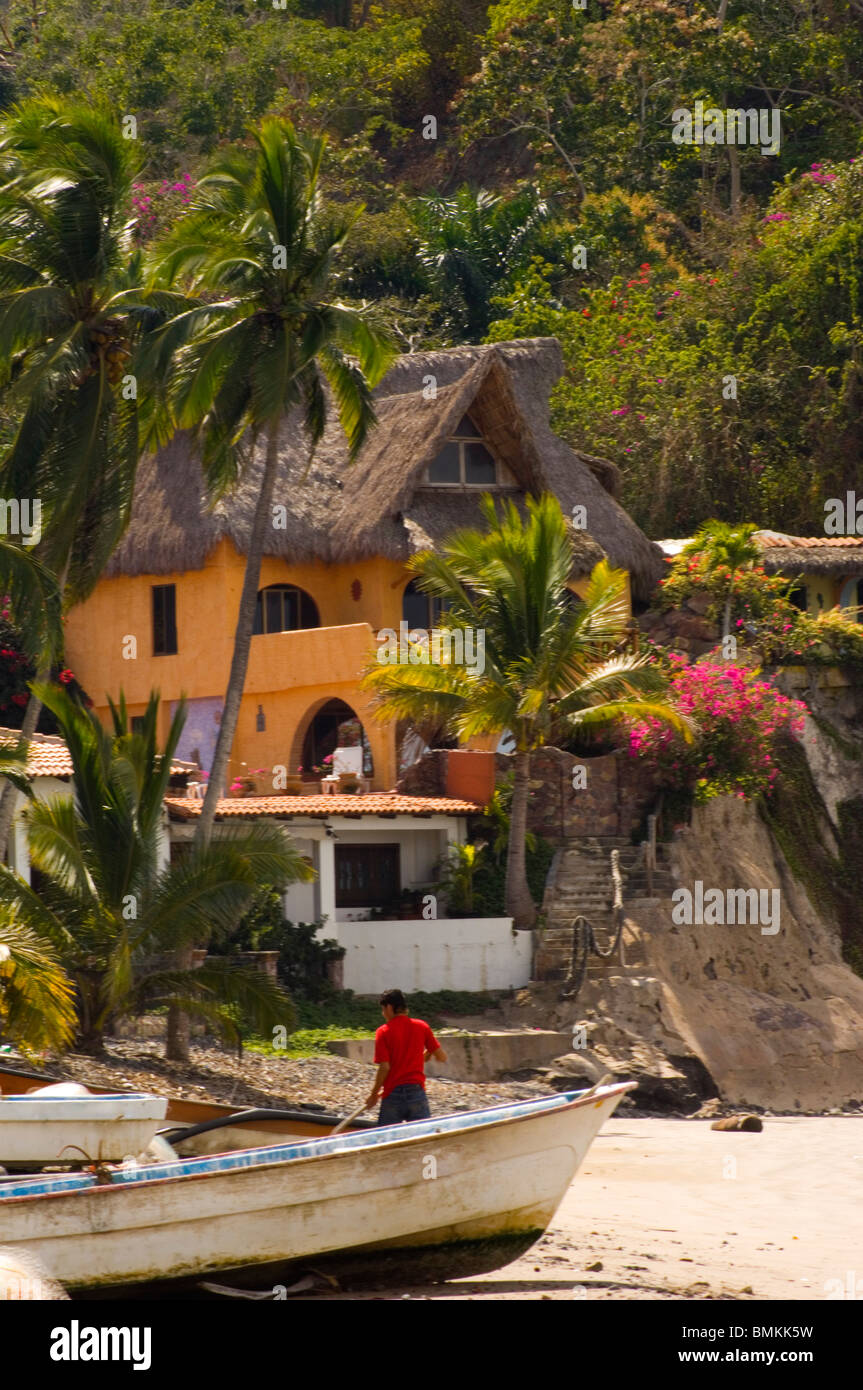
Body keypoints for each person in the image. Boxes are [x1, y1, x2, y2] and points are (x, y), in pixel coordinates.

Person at [364, 988, 447, 1125]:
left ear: (389, 1007)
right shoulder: (422, 1027)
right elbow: (442, 1057)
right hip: (416, 1092)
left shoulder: (383, 1032)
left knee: (387, 1141)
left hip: (393, 1094)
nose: (383, 1014)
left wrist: (374, 1095)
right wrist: (429, 1051)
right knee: (422, 1139)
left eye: (383, 1009)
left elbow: (385, 1067)